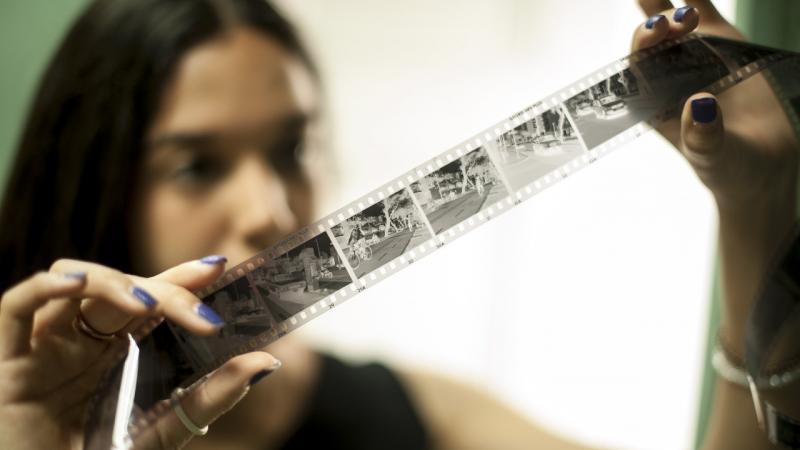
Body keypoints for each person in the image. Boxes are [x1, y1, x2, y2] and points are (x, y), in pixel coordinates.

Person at [0, 0, 797, 449]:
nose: (273, 210)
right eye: (197, 166)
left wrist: (756, 209)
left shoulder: (429, 420)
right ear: (98, 186)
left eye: (293, 149)